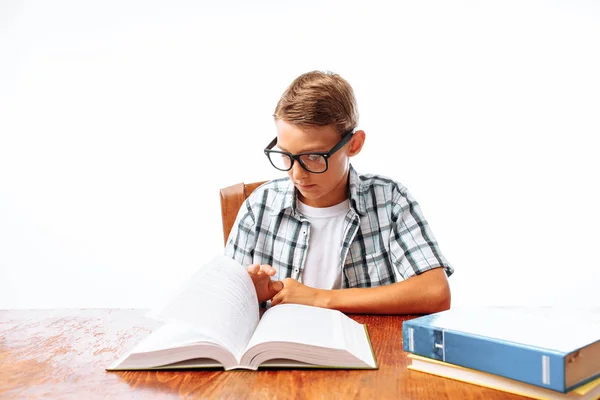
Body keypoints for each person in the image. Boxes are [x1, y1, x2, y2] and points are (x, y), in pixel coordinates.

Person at [225, 70, 454, 314]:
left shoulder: (390, 200)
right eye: (285, 155)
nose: (297, 174)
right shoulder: (259, 205)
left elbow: (435, 292)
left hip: (359, 347)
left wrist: (319, 298)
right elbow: (221, 303)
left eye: (313, 157)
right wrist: (250, 295)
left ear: (353, 144)